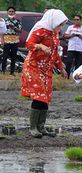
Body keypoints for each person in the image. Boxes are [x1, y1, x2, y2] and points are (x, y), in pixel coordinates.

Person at [20, 9, 68, 138]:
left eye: (62, 25)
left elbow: (55, 52)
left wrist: (61, 67)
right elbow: (29, 43)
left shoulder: (54, 33)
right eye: (60, 24)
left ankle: (41, 127)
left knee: (45, 97)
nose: (61, 27)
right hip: (33, 67)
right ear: (53, 21)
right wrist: (40, 46)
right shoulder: (40, 30)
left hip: (46, 69)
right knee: (39, 95)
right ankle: (33, 128)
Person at [1, 6, 22, 75]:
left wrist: (14, 28)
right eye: (10, 11)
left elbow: (20, 31)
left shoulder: (18, 21)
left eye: (12, 11)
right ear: (7, 12)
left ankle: (12, 72)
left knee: (14, 56)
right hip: (6, 40)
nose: (11, 12)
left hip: (15, 40)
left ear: (14, 13)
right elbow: (1, 31)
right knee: (5, 56)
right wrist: (2, 41)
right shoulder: (4, 21)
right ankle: (3, 71)